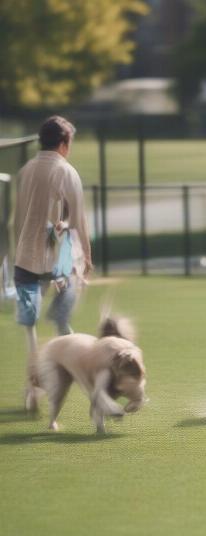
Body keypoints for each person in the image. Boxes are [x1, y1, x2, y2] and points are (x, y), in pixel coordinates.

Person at [13, 115, 92, 378]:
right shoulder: (66, 171)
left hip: (24, 258)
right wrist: (87, 259)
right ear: (64, 143)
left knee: (29, 322)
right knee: (62, 313)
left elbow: (18, 218)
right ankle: (68, 358)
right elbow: (78, 220)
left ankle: (34, 373)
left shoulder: (26, 170)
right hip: (57, 260)